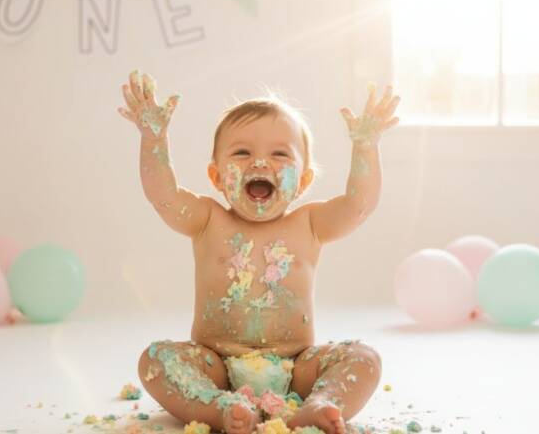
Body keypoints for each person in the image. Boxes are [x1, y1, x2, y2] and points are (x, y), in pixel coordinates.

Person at [118, 70, 400, 434]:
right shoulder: (207, 220)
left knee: (364, 359)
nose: (260, 163)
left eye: (280, 154)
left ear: (303, 181)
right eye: (241, 152)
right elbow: (163, 195)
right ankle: (220, 408)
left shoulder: (310, 223)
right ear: (217, 177)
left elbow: (359, 205)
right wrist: (153, 138)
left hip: (296, 367)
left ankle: (318, 404)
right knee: (156, 360)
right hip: (215, 366)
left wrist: (365, 145)